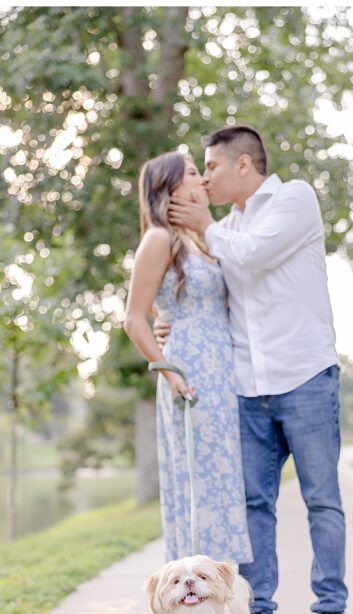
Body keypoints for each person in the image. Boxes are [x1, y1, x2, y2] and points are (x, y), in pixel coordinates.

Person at [166, 125, 353, 614]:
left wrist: (206, 225)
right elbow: (208, 292)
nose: (205, 178)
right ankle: (260, 613)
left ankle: (332, 611)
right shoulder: (224, 228)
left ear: (243, 165)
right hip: (247, 388)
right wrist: (170, 326)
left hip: (306, 377)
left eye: (212, 167)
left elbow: (252, 255)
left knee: (322, 500)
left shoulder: (294, 200)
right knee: (254, 506)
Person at [124, 152, 253, 568]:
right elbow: (133, 319)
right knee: (199, 487)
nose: (203, 179)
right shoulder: (159, 239)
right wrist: (168, 371)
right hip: (190, 377)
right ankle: (188, 605)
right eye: (195, 173)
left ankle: (224, 599)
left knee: (225, 484)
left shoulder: (203, 241)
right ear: (172, 188)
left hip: (224, 372)